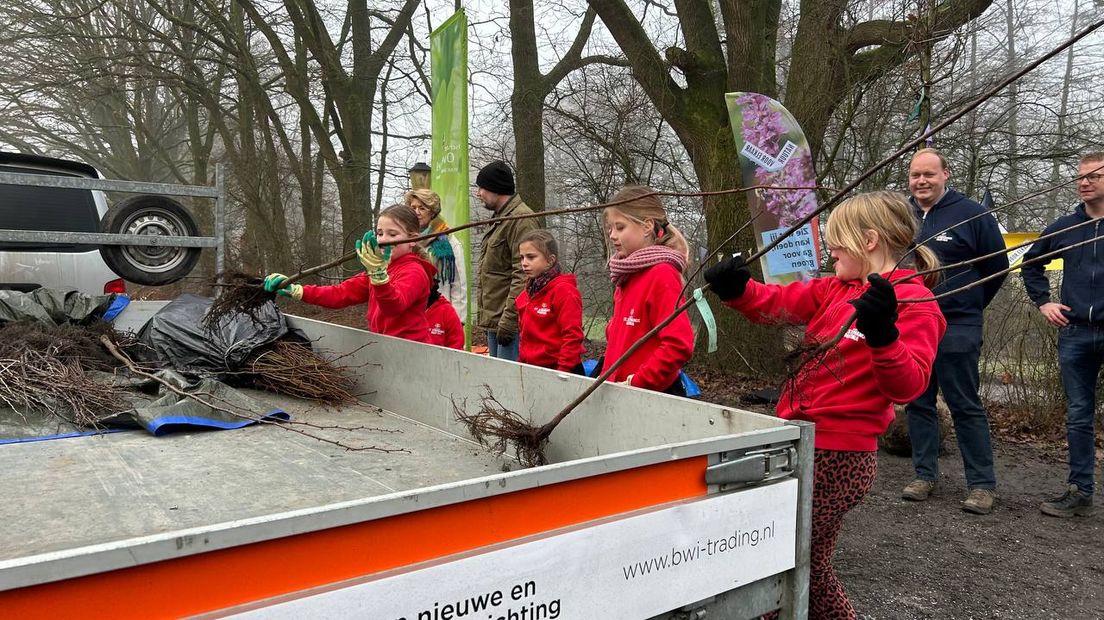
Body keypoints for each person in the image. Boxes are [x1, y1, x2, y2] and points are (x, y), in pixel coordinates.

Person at [704, 190, 946, 619]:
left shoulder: (913, 302)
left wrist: (883, 334)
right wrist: (738, 290)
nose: (829, 251)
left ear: (868, 240)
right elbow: (778, 304)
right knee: (800, 565)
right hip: (801, 442)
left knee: (779, 560)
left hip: (840, 457)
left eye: (836, 242)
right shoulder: (837, 288)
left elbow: (908, 385)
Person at [901, 148, 1008, 515]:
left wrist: (970, 306)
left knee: (964, 403)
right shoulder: (903, 214)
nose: (922, 181)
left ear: (946, 174)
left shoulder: (973, 214)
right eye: (916, 175)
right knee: (918, 401)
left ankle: (981, 485)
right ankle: (924, 474)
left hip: (958, 324)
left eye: (929, 174)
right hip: (913, 323)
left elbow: (997, 268)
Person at [1022, 152, 1104, 518]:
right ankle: (1080, 492)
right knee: (1079, 415)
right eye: (1081, 177)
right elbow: (1030, 264)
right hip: (1076, 334)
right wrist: (1043, 302)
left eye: (1094, 176)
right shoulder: (1066, 226)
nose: (1084, 182)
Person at [263, 204, 436, 343]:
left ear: (413, 239)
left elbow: (393, 307)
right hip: (386, 347)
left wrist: (378, 276)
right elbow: (341, 294)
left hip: (412, 352)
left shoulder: (415, 271)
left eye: (393, 234)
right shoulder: (379, 268)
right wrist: (298, 290)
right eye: (380, 233)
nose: (383, 240)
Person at [601, 185, 694, 393]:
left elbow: (678, 344)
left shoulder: (662, 274)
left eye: (620, 227)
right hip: (619, 390)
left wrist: (638, 382)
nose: (612, 235)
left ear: (646, 226)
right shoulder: (626, 275)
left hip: (649, 395)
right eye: (611, 228)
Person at [475, 161, 537, 361]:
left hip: (510, 323)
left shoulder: (521, 220)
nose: (479, 193)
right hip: (496, 321)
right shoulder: (500, 218)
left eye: (482, 187)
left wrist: (509, 320)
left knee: (507, 386)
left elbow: (524, 274)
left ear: (496, 188)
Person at [514, 229, 585, 373]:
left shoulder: (564, 291)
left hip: (561, 370)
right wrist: (521, 365)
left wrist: (562, 370)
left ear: (550, 260)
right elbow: (525, 337)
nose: (524, 263)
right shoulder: (526, 294)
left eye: (531, 257)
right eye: (522, 258)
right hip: (531, 368)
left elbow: (572, 336)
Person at [405, 188, 467, 323]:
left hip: (440, 314)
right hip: (411, 312)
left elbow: (458, 285)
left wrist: (457, 321)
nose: (417, 212)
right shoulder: (403, 240)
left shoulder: (449, 242)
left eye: (422, 208)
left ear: (432, 212)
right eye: (413, 207)